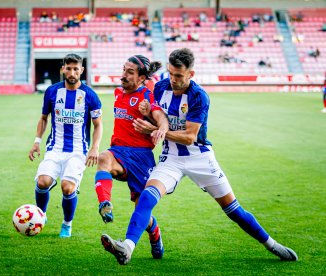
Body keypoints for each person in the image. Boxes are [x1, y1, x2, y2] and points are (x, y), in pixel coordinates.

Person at [101, 48, 298, 265]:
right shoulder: (160, 88)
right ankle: (127, 247)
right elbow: (156, 115)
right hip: (171, 158)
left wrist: (155, 131)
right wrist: (148, 112)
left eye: (179, 76)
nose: (173, 80)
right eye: (171, 74)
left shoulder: (199, 96)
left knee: (233, 210)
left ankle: (272, 245)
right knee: (147, 196)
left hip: (200, 158)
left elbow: (189, 137)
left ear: (190, 74)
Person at [95, 55, 168, 259]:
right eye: (123, 70)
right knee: (103, 159)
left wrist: (160, 128)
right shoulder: (118, 92)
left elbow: (160, 116)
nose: (123, 75)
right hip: (119, 151)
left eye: (129, 72)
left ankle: (155, 235)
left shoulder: (146, 95)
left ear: (141, 77)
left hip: (142, 157)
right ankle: (105, 204)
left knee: (141, 212)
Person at [28, 53, 103, 238]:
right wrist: (37, 141)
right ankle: (41, 215)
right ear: (63, 69)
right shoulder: (52, 91)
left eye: (76, 69)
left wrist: (95, 147)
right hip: (54, 148)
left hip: (78, 151)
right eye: (68, 68)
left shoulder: (90, 95)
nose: (72, 72)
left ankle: (67, 224)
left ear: (82, 70)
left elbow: (98, 124)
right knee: (42, 182)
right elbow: (44, 118)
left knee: (67, 187)